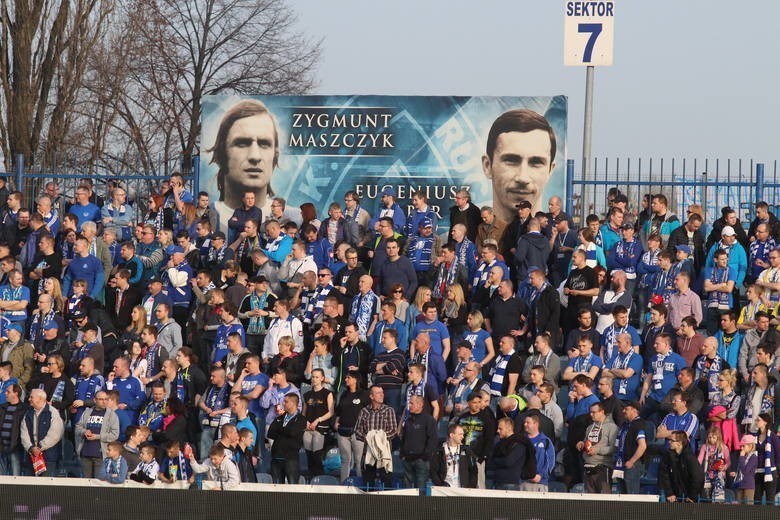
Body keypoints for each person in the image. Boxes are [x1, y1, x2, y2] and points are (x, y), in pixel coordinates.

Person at [208, 99, 302, 231]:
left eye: (264, 144)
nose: (255, 156)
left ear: (274, 155)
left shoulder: (294, 216)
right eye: (242, 143)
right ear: (221, 153)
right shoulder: (210, 213)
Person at [482, 109, 557, 220]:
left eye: (536, 162)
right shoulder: (473, 233)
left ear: (550, 170)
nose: (523, 178)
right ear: (487, 166)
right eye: (511, 160)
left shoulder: (556, 235)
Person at [20, 388, 64, 476]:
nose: (29, 399)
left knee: (46, 486)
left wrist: (40, 447)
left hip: (48, 457)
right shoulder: (28, 413)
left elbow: (55, 434)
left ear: (40, 399)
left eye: (31, 397)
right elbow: (24, 433)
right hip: (32, 456)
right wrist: (31, 448)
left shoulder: (52, 412)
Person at [490, 416, 527, 490]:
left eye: (500, 429)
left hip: (510, 484)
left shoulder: (518, 444)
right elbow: (490, 461)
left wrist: (496, 460)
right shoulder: (498, 444)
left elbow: (508, 462)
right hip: (496, 483)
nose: (497, 431)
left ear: (509, 428)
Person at [0, 383, 27, 476]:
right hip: (2, 447)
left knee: (15, 475)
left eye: (8, 392)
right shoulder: (2, 407)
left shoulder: (24, 409)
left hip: (15, 447)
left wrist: (17, 444)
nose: (5, 394)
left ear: (16, 393)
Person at [698, 426, 729, 503]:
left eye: (713, 437)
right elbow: (699, 460)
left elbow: (728, 462)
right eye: (709, 437)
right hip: (707, 475)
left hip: (719, 475)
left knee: (718, 498)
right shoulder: (704, 447)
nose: (711, 439)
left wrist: (724, 467)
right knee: (706, 497)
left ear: (718, 437)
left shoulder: (724, 447)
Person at [731, 434, 758, 505]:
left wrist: (742, 457)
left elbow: (746, 471)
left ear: (750, 446)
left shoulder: (753, 457)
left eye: (744, 446)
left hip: (749, 485)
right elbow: (741, 470)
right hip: (740, 485)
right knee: (739, 506)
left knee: (748, 506)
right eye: (741, 446)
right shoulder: (743, 457)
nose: (741, 448)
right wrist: (736, 474)